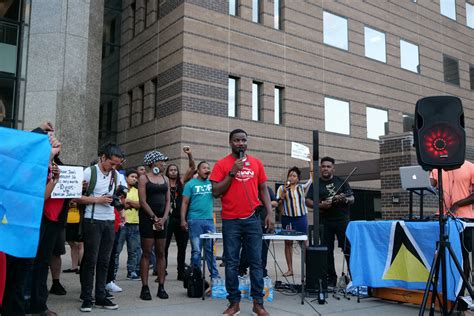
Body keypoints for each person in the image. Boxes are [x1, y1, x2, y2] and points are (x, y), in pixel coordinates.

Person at [210, 129, 274, 316]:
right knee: (231, 263)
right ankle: (234, 304)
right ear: (230, 142)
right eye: (237, 140)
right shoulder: (222, 164)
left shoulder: (256, 163)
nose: (240, 143)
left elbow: (263, 189)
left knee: (256, 262)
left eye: (243, 140)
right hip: (231, 220)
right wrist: (232, 173)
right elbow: (215, 191)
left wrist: (269, 212)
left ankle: (258, 304)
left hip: (253, 219)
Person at [77, 143, 126, 312]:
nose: (114, 167)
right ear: (103, 157)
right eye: (112, 163)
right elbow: (76, 197)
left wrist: (120, 202)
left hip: (110, 221)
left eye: (117, 164)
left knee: (104, 261)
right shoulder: (89, 172)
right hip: (92, 221)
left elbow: (120, 197)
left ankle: (100, 296)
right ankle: (86, 297)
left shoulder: (117, 175)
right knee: (90, 260)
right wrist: (98, 200)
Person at [305, 156, 354, 287]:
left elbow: (352, 198)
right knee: (327, 250)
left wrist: (344, 199)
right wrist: (320, 205)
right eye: (323, 166)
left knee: (347, 248)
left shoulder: (341, 182)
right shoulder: (316, 184)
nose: (325, 168)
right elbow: (307, 200)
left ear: (333, 168)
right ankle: (331, 278)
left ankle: (354, 277)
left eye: (328, 166)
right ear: (320, 168)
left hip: (342, 220)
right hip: (324, 221)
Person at [138, 151, 171, 300]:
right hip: (147, 219)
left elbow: (168, 201)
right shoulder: (143, 178)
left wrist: (163, 219)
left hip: (162, 220)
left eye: (164, 162)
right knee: (146, 253)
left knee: (161, 252)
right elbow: (142, 201)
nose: (164, 164)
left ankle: (161, 287)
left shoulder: (165, 179)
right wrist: (154, 218)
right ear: (153, 163)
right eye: (161, 161)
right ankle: (145, 287)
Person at [180, 161, 220, 280]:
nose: (206, 170)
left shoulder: (211, 183)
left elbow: (220, 193)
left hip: (208, 221)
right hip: (194, 220)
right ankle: (195, 276)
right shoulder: (190, 184)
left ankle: (215, 276)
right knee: (196, 250)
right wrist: (183, 220)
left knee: (210, 250)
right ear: (198, 170)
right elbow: (185, 202)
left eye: (208, 168)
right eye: (204, 168)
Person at [165, 146, 195, 281]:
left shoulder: (181, 182)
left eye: (175, 170)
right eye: (171, 170)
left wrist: (189, 155)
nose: (173, 171)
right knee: (163, 246)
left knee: (182, 246)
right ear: (167, 172)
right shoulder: (163, 183)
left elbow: (192, 168)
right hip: (167, 219)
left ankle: (181, 272)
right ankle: (162, 270)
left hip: (180, 218)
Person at [276, 162, 312, 277]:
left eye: (294, 176)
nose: (291, 177)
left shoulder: (302, 187)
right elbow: (278, 203)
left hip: (301, 218)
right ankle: (290, 269)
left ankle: (309, 268)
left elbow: (312, 177)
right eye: (290, 175)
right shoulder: (282, 188)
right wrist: (283, 194)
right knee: (288, 243)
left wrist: (310, 162)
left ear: (298, 179)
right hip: (287, 219)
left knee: (304, 243)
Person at [115, 169, 141, 280]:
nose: (134, 179)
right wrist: (129, 203)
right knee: (116, 250)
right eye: (132, 176)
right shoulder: (120, 190)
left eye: (136, 177)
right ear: (126, 177)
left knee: (133, 250)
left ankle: (132, 271)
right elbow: (121, 204)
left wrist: (129, 202)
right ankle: (113, 272)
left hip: (135, 223)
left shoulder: (137, 190)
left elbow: (140, 204)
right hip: (122, 223)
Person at [63, 201, 83, 274]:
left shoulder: (84, 191)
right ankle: (74, 267)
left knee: (80, 244)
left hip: (79, 221)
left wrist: (77, 203)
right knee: (72, 244)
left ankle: (82, 267)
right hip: (68, 221)